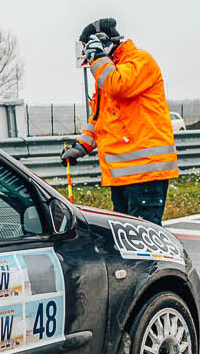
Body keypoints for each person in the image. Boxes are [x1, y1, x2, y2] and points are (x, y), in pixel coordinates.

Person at [60, 18, 177, 222]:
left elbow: (118, 86)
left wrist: (98, 58)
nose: (87, 56)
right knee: (125, 236)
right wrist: (81, 147)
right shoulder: (109, 70)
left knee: (142, 236)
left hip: (146, 173)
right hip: (121, 176)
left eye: (88, 49)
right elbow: (99, 117)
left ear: (102, 43)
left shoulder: (139, 61)